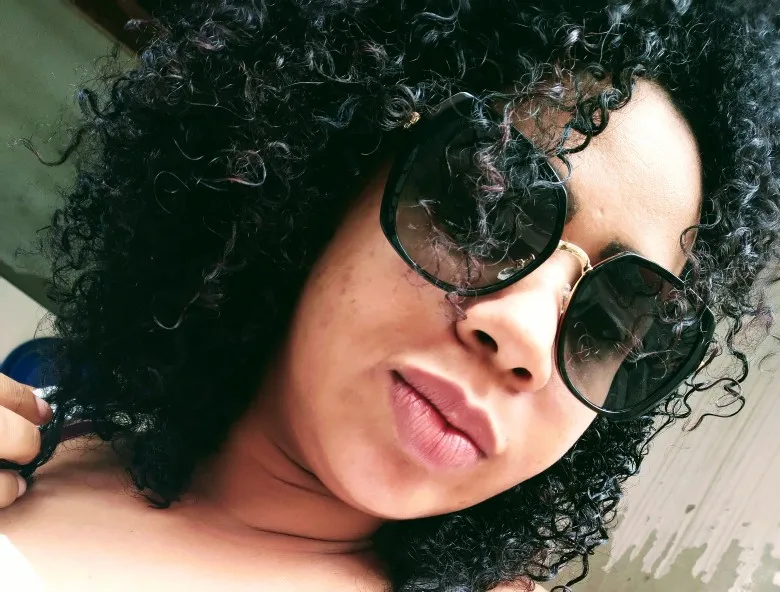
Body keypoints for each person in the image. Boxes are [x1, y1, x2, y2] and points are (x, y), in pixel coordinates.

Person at [0, 0, 779, 590]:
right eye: (484, 209)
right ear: (330, 174)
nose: (525, 337)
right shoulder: (41, 430)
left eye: (609, 323)